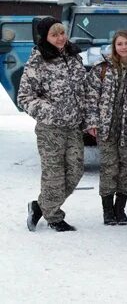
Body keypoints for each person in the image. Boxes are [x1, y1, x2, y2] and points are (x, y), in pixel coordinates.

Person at [20, 17, 86, 232]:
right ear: (45, 38)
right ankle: (54, 217)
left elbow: (83, 89)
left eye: (62, 33)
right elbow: (25, 97)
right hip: (50, 129)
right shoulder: (37, 61)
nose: (60, 38)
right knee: (54, 175)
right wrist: (50, 111)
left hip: (74, 127)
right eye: (54, 34)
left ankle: (40, 206)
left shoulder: (73, 56)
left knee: (75, 172)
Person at [85, 30, 127, 226]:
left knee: (126, 168)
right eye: (120, 44)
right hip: (106, 127)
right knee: (109, 168)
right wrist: (92, 122)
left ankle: (120, 208)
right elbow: (91, 98)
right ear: (114, 47)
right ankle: (108, 210)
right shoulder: (101, 69)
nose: (124, 47)